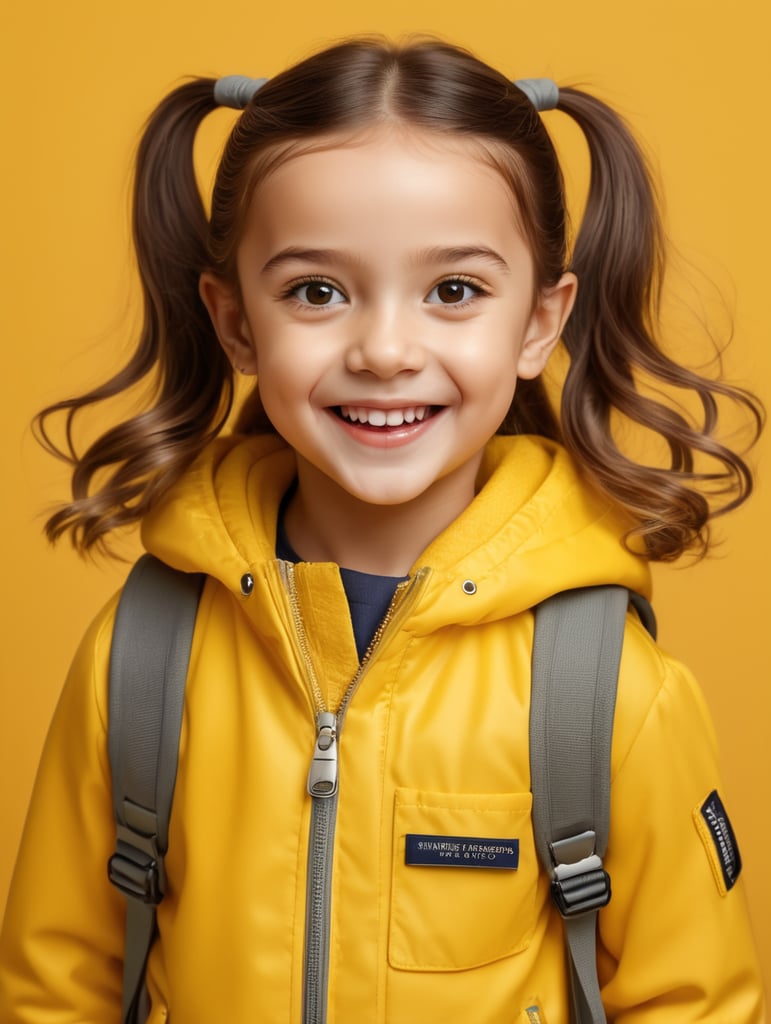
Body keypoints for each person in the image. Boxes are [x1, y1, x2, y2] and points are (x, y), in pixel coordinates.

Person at [0, 36, 765, 1024]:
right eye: (317, 291)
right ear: (236, 323)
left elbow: (695, 1003)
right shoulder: (142, 655)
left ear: (540, 321)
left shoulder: (604, 685)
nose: (387, 350)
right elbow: (55, 991)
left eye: (454, 291)